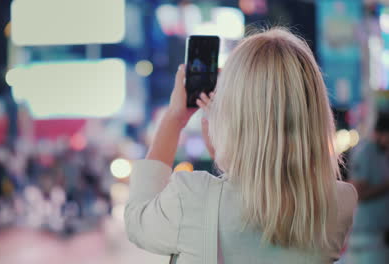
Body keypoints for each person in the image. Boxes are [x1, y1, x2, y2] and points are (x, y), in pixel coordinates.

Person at [125, 28, 358, 264]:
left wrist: (175, 118)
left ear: (233, 115)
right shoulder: (339, 203)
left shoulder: (192, 197)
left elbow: (137, 220)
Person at [346, 112, 389, 264]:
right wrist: (385, 186)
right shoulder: (366, 152)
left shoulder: (381, 153)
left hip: (378, 237)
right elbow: (358, 192)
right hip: (366, 238)